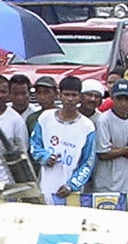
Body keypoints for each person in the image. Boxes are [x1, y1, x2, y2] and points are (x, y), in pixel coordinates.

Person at [29, 76, 95, 204]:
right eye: (66, 94)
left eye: (74, 95)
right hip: (45, 188)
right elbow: (34, 145)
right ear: (59, 95)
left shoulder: (87, 127)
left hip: (71, 193)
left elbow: (88, 162)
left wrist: (71, 185)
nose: (70, 99)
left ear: (80, 97)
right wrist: (45, 157)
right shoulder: (45, 118)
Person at [91, 79, 128, 193]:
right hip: (106, 181)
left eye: (127, 98)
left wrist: (114, 149)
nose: (123, 103)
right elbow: (103, 154)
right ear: (112, 98)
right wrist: (127, 148)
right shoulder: (103, 120)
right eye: (119, 99)